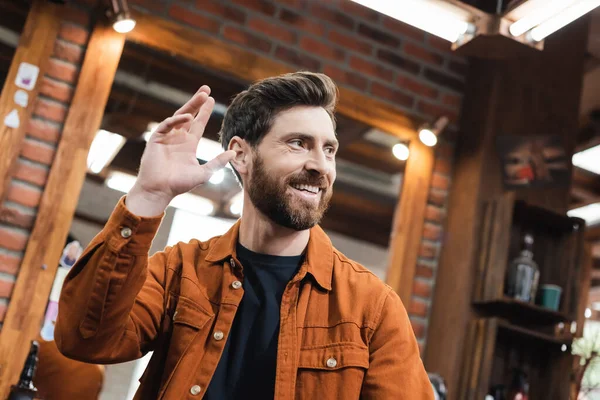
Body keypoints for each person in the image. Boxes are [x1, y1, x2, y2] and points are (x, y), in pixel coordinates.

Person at [55, 72, 433, 399]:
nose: (320, 165)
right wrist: (148, 197)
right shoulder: (180, 271)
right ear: (241, 154)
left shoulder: (372, 308)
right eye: (299, 143)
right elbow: (85, 338)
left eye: (329, 149)